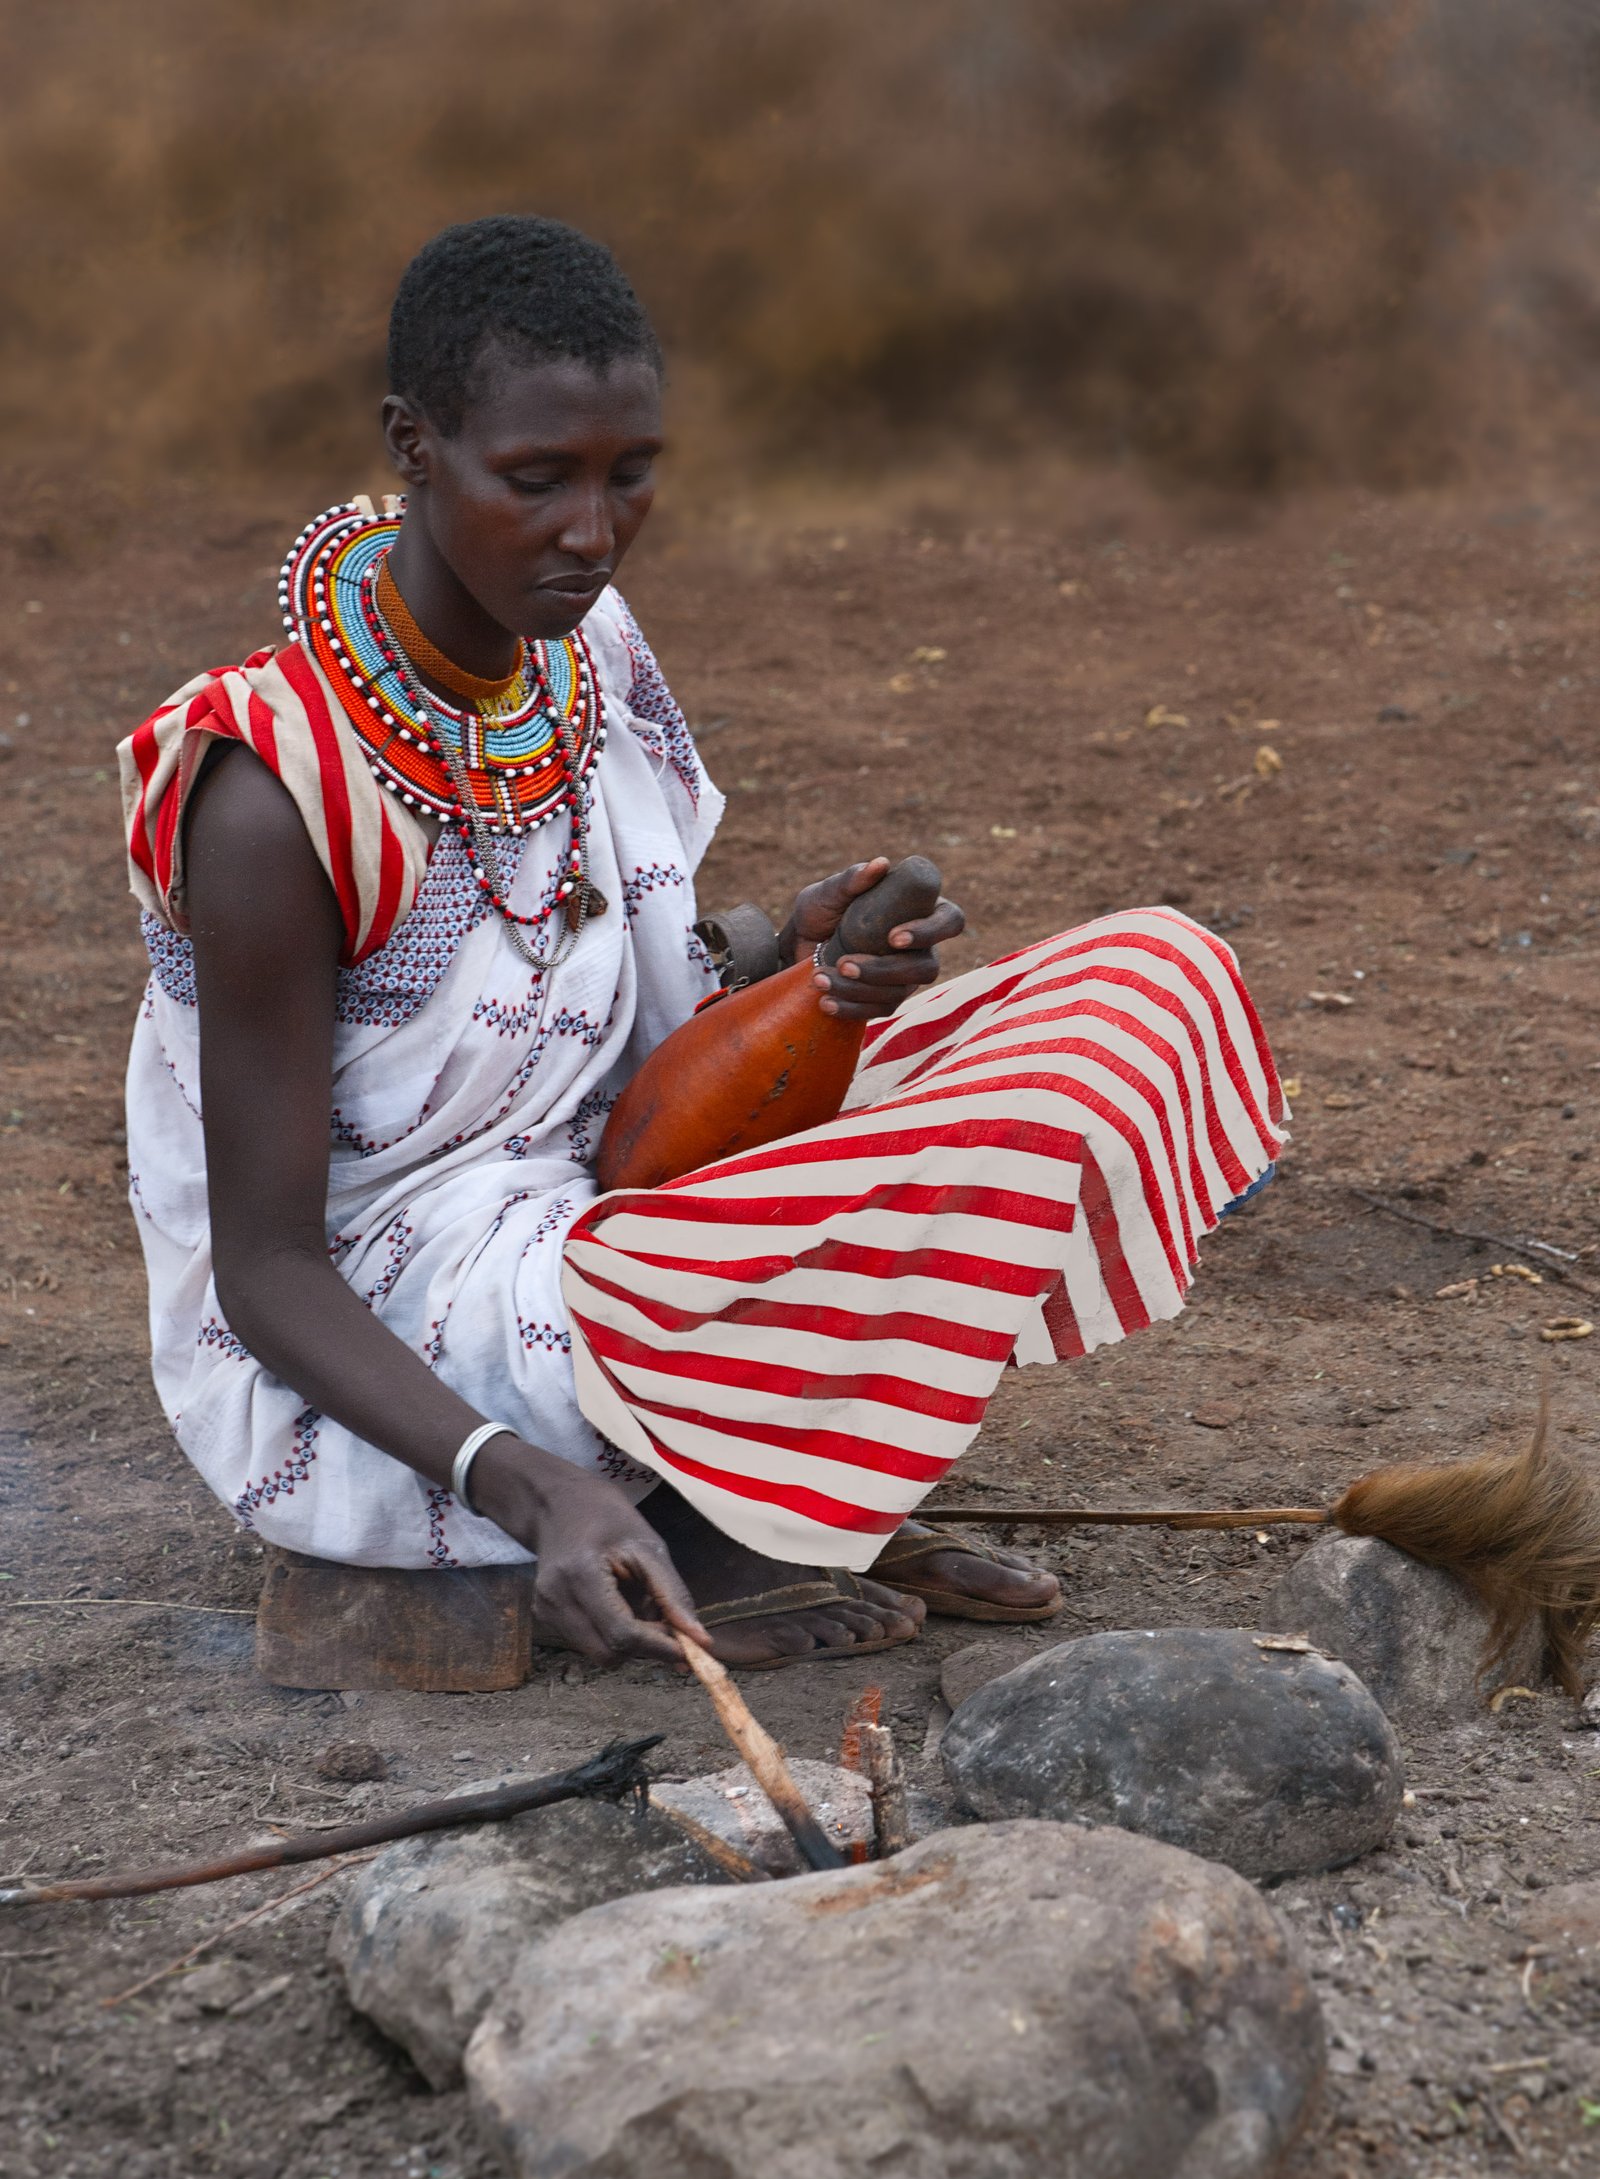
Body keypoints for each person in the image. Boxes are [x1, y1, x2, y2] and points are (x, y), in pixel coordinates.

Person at [120, 216, 1284, 1672]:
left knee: (1136, 989)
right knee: (851, 1206)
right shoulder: (270, 792)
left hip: (613, 1198)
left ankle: (749, 1485)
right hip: (400, 1336)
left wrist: (791, 976)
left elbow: (598, 1009)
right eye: (536, 480)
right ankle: (714, 1518)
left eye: (631, 474)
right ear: (413, 445)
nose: (592, 532)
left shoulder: (586, 652)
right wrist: (522, 1481)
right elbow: (271, 1268)